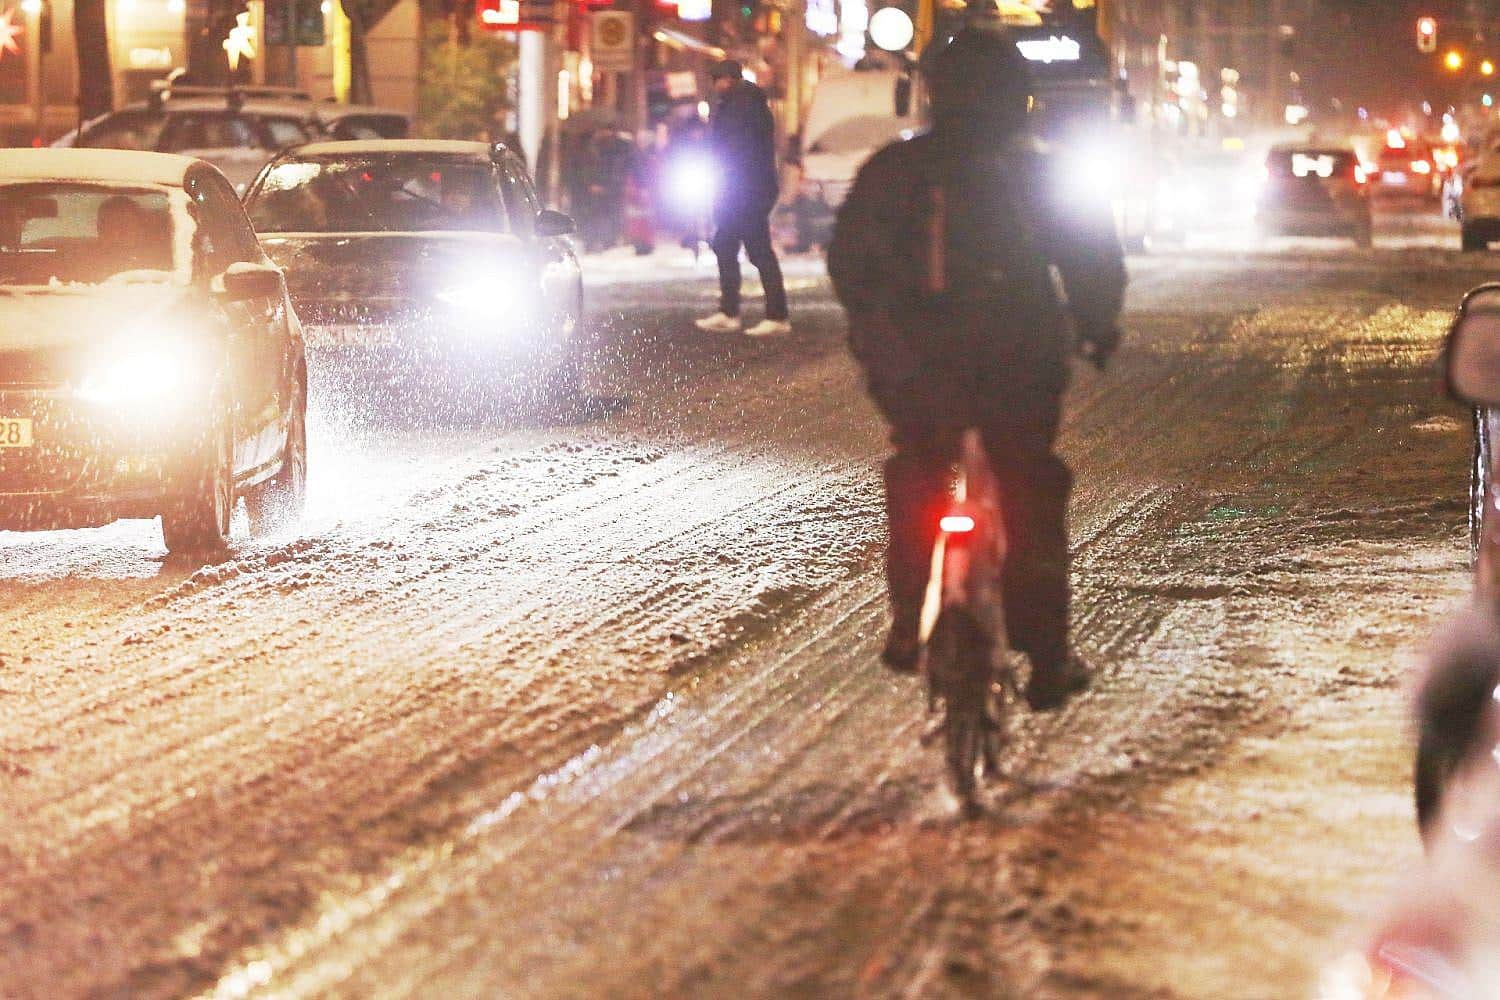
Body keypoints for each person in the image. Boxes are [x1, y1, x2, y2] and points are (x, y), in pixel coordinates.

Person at [827, 26, 1126, 711]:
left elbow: (850, 262)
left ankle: (910, 620)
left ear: (934, 94)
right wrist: (1096, 328)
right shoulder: (1037, 172)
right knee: (1028, 487)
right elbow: (1090, 260)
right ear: (1017, 99)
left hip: (914, 363)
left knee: (918, 468)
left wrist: (875, 331)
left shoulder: (894, 170)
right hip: (1018, 359)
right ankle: (1047, 655)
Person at [694, 59, 792, 338]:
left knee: (759, 250)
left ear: (728, 79)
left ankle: (777, 315)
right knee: (725, 245)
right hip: (738, 190)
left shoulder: (744, 106)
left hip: (747, 191)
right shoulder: (736, 104)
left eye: (717, 81)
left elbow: (739, 150)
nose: (715, 86)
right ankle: (729, 312)